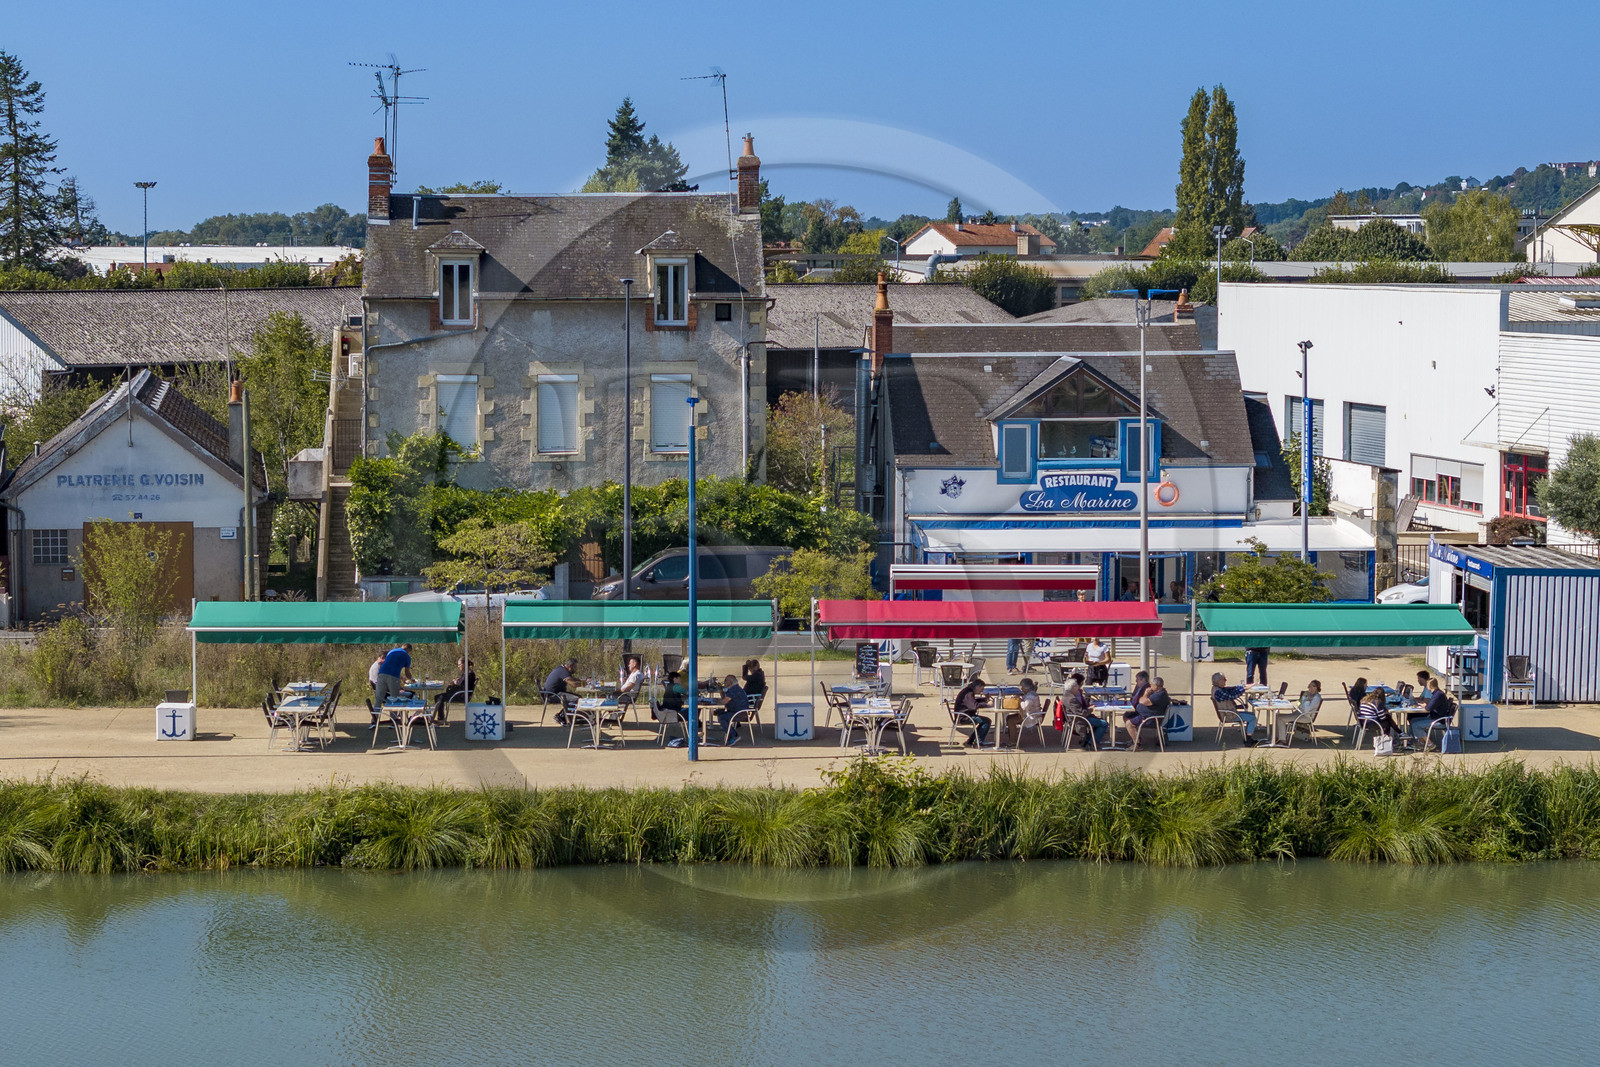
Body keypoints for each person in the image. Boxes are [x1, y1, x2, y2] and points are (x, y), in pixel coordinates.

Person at [1211, 671, 1258, 746]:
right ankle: (1248, 739)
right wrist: (1243, 689)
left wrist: (1242, 687)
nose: (1226, 680)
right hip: (1230, 715)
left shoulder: (1216, 689)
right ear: (1219, 681)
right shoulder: (1218, 692)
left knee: (1251, 714)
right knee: (1252, 718)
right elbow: (1232, 695)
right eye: (1224, 679)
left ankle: (1247, 735)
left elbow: (1230, 689)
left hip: (1229, 712)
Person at [1126, 676, 1171, 751]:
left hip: (1151, 718)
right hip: (1149, 715)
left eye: (1152, 685)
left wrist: (1146, 694)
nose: (1150, 687)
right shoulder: (1158, 693)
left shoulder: (1159, 695)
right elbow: (1142, 701)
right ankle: (1135, 739)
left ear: (1156, 686)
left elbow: (1143, 701)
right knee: (1127, 716)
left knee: (1129, 723)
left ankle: (1137, 745)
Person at [1276, 679, 1322, 744]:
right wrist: (1305, 701)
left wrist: (1307, 700)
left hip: (1306, 716)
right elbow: (1299, 705)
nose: (1310, 688)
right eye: (1309, 685)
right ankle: (1277, 737)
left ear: (1316, 688)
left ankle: (1283, 740)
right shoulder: (1305, 694)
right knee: (1277, 716)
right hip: (1299, 712)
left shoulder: (1316, 698)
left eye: (1312, 686)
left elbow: (1307, 710)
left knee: (1280, 718)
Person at [433, 656, 476, 723]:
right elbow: (462, 681)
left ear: (464, 664)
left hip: (462, 695)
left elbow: (462, 683)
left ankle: (440, 719)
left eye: (459, 665)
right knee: (438, 696)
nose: (458, 666)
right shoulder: (466, 673)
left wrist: (456, 682)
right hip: (460, 693)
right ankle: (439, 717)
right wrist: (455, 681)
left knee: (439, 697)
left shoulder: (469, 674)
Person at [953, 676, 992, 748]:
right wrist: (986, 704)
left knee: (983, 721)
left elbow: (973, 702)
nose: (981, 691)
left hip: (964, 715)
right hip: (964, 717)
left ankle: (972, 740)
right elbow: (974, 706)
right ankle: (978, 742)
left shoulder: (968, 692)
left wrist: (984, 699)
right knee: (986, 721)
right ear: (977, 687)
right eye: (981, 689)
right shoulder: (968, 694)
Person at [715, 674, 749, 745]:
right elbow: (725, 698)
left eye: (725, 680)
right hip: (738, 711)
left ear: (730, 682)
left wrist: (716, 701)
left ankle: (734, 735)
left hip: (739, 713)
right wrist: (721, 690)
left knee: (722, 717)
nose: (724, 682)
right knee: (720, 712)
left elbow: (724, 701)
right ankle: (730, 733)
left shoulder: (734, 690)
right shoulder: (734, 689)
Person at [543, 658, 579, 724]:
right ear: (570, 666)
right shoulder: (563, 671)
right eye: (575, 667)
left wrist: (583, 681)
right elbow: (573, 684)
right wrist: (585, 683)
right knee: (577, 699)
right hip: (553, 695)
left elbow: (573, 679)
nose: (576, 669)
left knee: (579, 697)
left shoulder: (561, 669)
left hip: (554, 693)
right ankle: (561, 716)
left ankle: (569, 716)